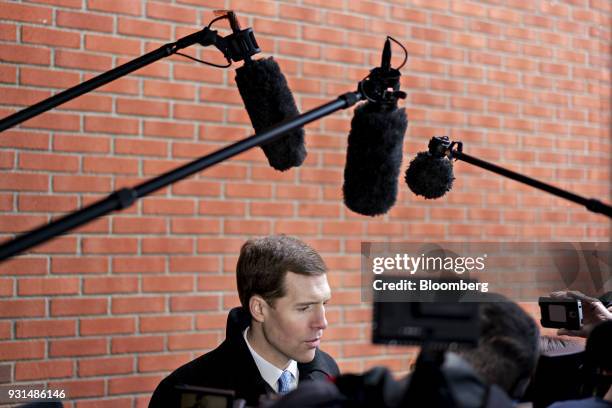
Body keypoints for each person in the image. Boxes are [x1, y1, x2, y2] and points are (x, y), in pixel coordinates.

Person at [149, 235, 339, 407]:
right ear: (259, 309)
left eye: (324, 303)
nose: (322, 322)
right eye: (304, 308)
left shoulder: (329, 372)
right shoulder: (182, 390)